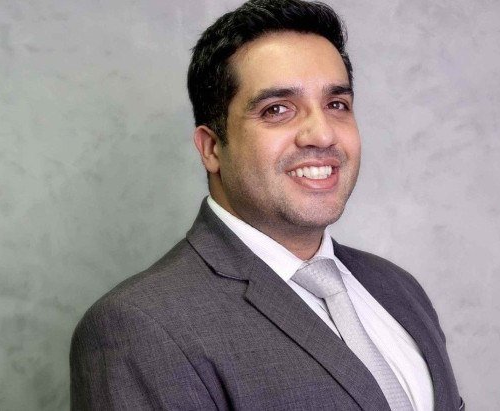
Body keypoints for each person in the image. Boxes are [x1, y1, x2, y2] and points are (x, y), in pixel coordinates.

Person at [70, 0, 463, 410]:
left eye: (336, 105)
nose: (322, 134)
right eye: (277, 109)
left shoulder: (398, 289)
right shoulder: (139, 326)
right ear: (211, 148)